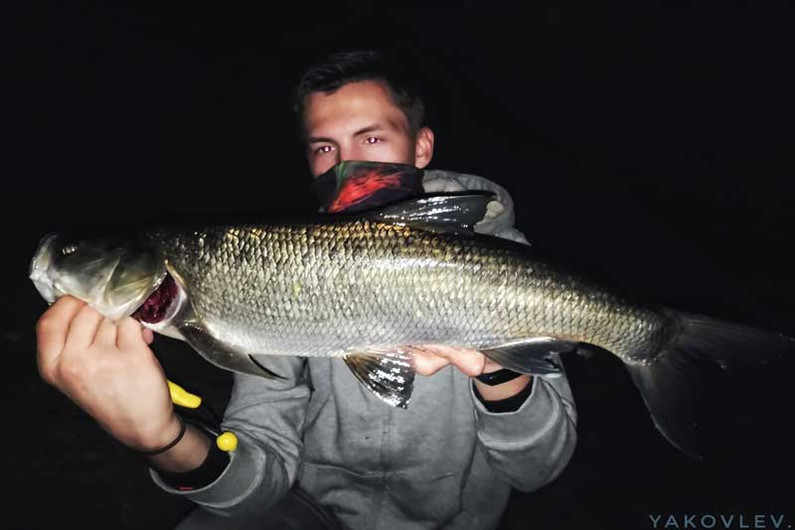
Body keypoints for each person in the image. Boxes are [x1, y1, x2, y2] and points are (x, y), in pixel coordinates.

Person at [35, 49, 578, 529]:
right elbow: (257, 483)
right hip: (310, 510)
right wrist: (162, 440)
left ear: (421, 146)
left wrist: (498, 368)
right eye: (324, 147)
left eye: (370, 137)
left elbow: (538, 470)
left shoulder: (507, 257)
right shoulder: (271, 271)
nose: (347, 165)